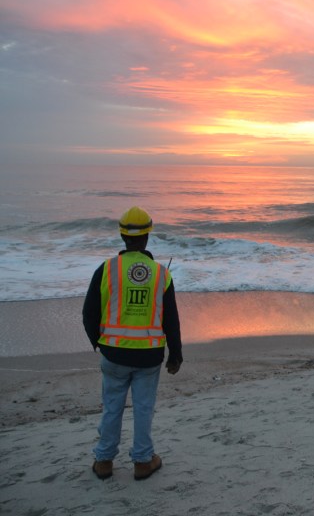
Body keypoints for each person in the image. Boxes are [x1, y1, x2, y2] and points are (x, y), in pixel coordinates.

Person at [82, 206, 183, 481]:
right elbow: (171, 320)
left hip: (113, 355)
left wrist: (99, 343)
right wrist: (176, 355)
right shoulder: (161, 274)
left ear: (122, 235)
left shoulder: (106, 269)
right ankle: (142, 461)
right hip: (148, 357)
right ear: (148, 235)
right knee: (143, 408)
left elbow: (89, 313)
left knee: (112, 407)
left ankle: (103, 461)